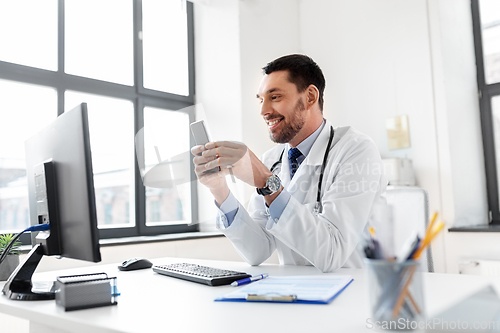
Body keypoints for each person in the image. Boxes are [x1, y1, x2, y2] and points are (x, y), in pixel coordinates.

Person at [191, 54, 386, 272]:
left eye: (275, 97)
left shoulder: (356, 151)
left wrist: (266, 181)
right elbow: (257, 251)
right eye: (261, 99)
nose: (263, 110)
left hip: (352, 293)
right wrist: (220, 190)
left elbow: (332, 253)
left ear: (310, 96)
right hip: (294, 295)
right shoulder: (272, 161)